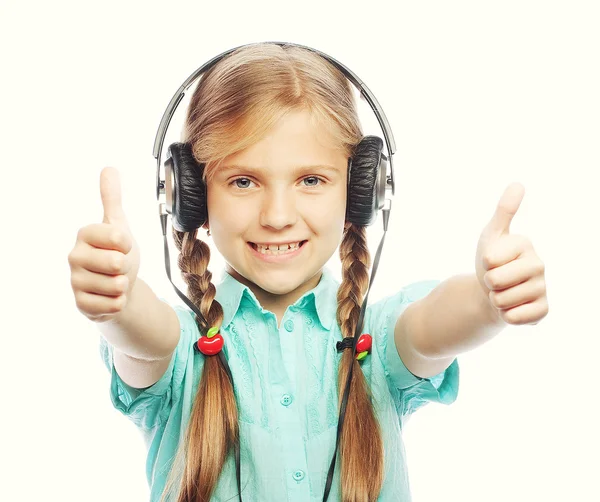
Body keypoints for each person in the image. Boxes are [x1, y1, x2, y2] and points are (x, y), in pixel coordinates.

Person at [67, 42, 548, 502]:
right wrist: (119, 300)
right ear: (190, 196)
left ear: (361, 192)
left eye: (311, 180)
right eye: (243, 181)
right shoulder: (183, 353)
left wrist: (488, 302)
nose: (278, 215)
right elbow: (145, 340)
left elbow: (432, 328)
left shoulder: (373, 342)